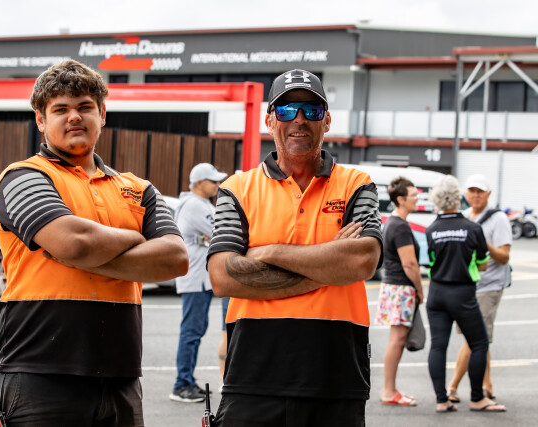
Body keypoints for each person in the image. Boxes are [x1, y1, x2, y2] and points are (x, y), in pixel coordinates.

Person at [0, 59, 188, 426]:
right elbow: (74, 243)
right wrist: (135, 237)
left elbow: (175, 259)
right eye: (60, 109)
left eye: (84, 107)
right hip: (38, 376)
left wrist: (85, 252)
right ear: (40, 120)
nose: (74, 117)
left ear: (102, 114)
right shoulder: (23, 177)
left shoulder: (138, 189)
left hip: (121, 379)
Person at [207, 69, 383, 426]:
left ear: (327, 120)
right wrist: (329, 264)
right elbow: (223, 277)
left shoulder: (356, 184)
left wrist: (267, 253)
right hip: (252, 378)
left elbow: (362, 261)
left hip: (336, 379)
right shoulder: (237, 188)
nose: (299, 120)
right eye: (286, 110)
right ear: (270, 120)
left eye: (311, 111)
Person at [425, 175, 505, 413]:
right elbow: (483, 264)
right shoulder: (473, 228)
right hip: (462, 292)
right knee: (479, 343)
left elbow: (431, 260)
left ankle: (442, 400)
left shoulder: (431, 229)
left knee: (438, 346)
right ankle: (477, 398)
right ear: (458, 197)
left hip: (437, 293)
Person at [447, 174, 512, 403]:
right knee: (480, 339)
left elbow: (504, 256)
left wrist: (482, 241)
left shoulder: (498, 219)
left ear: (488, 194)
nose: (475, 195)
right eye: (472, 191)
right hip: (467, 285)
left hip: (489, 285)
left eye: (480, 191)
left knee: (473, 338)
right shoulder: (464, 216)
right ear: (465, 194)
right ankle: (487, 385)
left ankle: (452, 386)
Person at [170, 163, 227, 403]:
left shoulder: (200, 203)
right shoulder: (194, 204)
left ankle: (187, 381)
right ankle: (181, 385)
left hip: (199, 278)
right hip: (195, 277)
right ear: (199, 182)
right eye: (213, 181)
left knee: (195, 331)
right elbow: (221, 231)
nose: (217, 185)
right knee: (191, 332)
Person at [375, 177, 424, 407]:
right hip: (401, 288)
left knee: (397, 339)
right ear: (401, 199)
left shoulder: (392, 223)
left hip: (393, 286)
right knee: (397, 340)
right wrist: (420, 290)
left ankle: (390, 389)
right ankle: (389, 391)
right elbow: (410, 264)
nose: (417, 199)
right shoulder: (401, 226)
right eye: (414, 195)